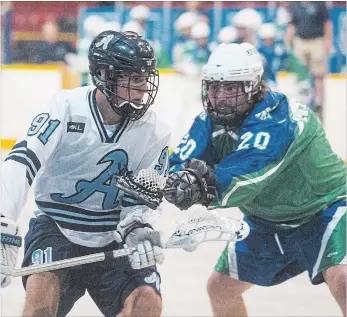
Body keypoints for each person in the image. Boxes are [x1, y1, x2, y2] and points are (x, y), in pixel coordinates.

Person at [164, 42, 346, 316]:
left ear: (253, 86)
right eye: (214, 86)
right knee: (221, 289)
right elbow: (182, 159)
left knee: (342, 278)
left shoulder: (279, 119)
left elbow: (247, 172)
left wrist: (200, 187)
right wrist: (174, 181)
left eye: (230, 88)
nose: (220, 96)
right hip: (267, 221)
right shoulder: (209, 120)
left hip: (326, 209)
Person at [0, 30, 170, 317]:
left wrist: (138, 227)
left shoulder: (155, 130)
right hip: (56, 229)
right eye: (135, 78)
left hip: (112, 234)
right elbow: (22, 159)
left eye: (145, 78)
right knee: (40, 302)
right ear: (104, 74)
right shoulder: (66, 107)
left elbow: (142, 197)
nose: (143, 89)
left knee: (147, 304)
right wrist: (3, 220)